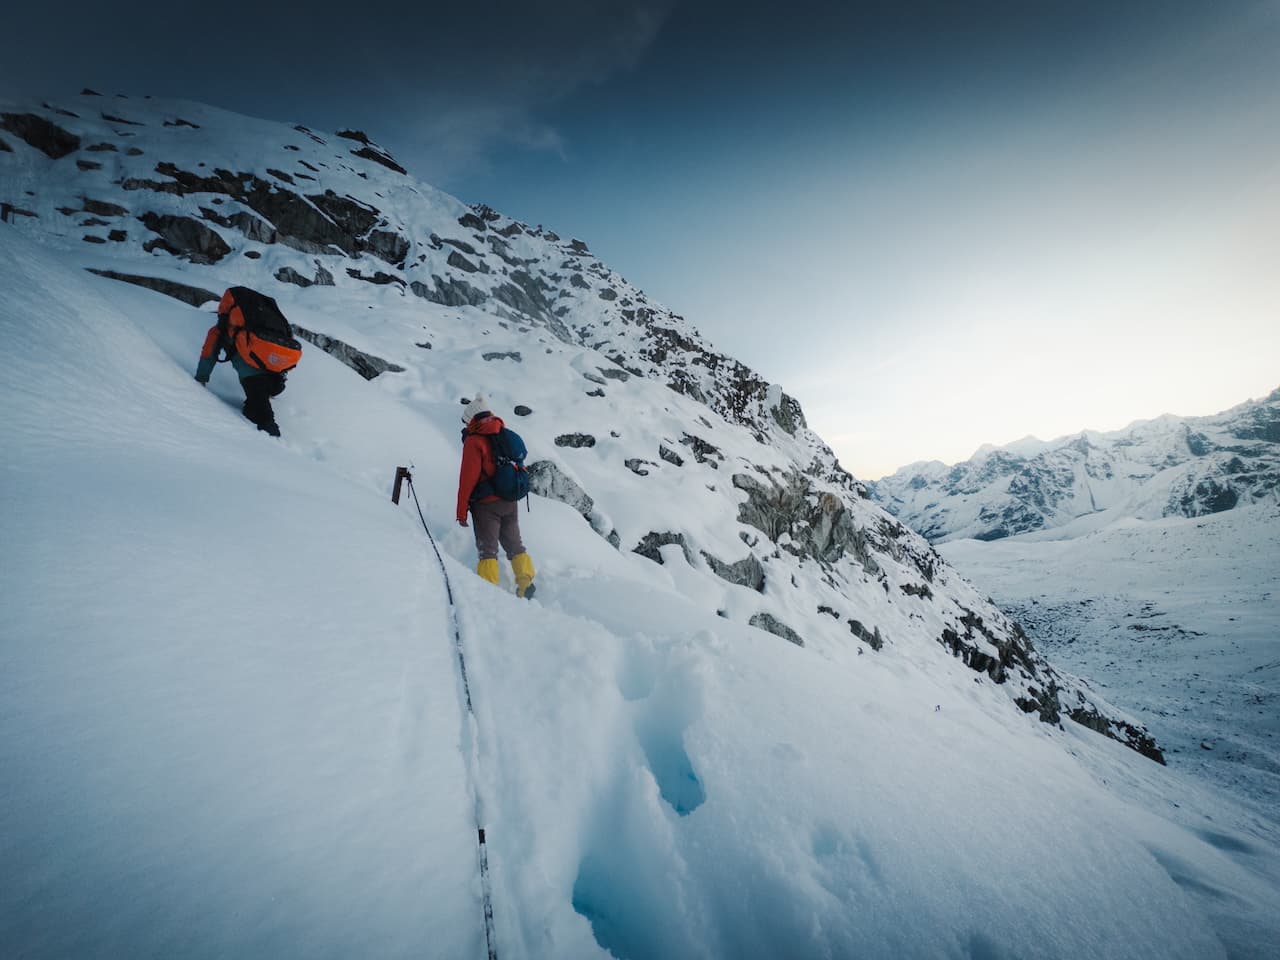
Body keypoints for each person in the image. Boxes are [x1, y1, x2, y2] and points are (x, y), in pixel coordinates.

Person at [456, 394, 536, 598]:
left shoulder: (474, 441)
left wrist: (461, 511)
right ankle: (525, 582)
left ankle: (488, 592)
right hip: (509, 500)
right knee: (515, 544)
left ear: (472, 419)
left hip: (486, 505)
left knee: (488, 550)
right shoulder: (503, 434)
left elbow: (468, 478)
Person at [194, 304, 287, 437]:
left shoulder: (220, 331)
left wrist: (201, 378)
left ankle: (276, 446)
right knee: (251, 410)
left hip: (253, 378)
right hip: (277, 376)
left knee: (264, 419)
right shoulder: (261, 326)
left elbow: (209, 355)